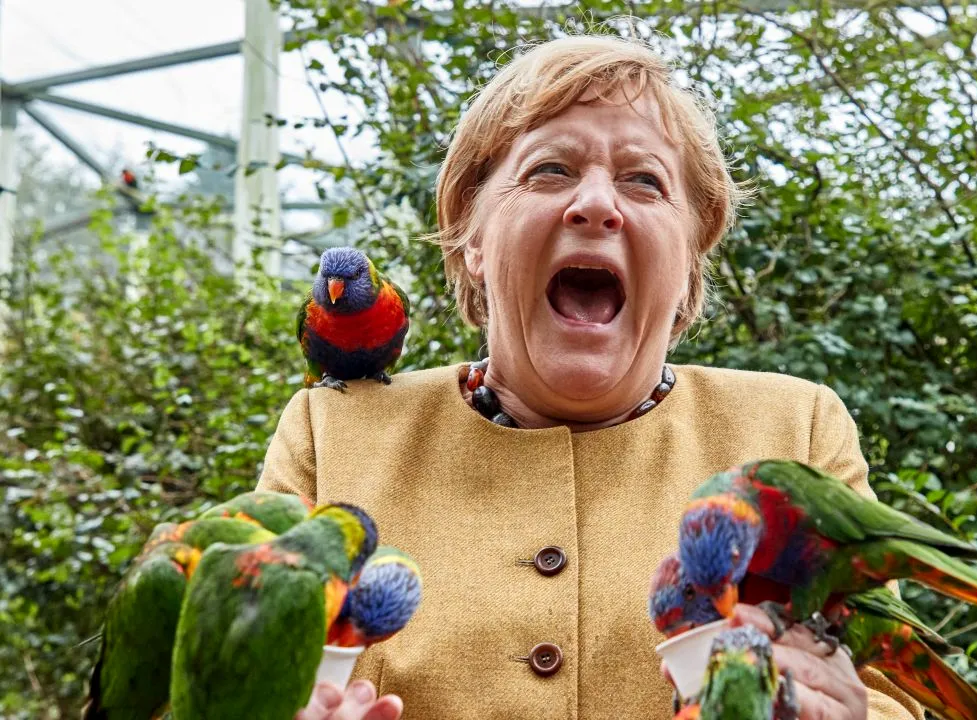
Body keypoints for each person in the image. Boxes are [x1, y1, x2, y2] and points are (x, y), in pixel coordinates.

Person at [265, 34, 924, 720]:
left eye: (645, 180)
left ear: (690, 258)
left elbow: (893, 696)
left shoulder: (795, 432)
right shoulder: (333, 432)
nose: (597, 205)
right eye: (550, 170)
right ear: (473, 237)